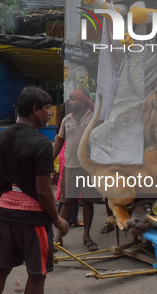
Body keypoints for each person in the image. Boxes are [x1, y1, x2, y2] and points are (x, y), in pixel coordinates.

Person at [0, 86, 69, 294]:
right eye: (47, 108)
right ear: (35, 109)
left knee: (1, 268)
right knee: (37, 274)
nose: (50, 113)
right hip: (33, 220)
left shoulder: (1, 137)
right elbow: (43, 191)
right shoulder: (41, 143)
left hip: (6, 211)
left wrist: (4, 198)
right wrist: (57, 219)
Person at [52, 89, 99, 251]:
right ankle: (58, 238)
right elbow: (58, 143)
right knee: (66, 204)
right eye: (70, 99)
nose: (70, 102)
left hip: (87, 168)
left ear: (84, 101)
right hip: (69, 169)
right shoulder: (67, 120)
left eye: (74, 100)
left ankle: (87, 236)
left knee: (88, 203)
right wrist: (48, 162)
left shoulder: (93, 119)